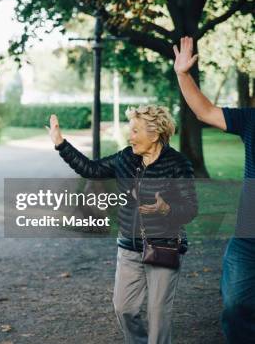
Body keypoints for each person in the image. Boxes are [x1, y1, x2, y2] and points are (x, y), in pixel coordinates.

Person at [48, 104, 197, 344]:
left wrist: (166, 209)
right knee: (124, 308)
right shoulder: (126, 157)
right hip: (129, 246)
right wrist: (60, 143)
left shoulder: (178, 164)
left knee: (158, 315)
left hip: (164, 247)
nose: (131, 136)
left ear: (155, 134)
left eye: (136, 131)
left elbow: (190, 209)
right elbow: (91, 169)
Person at [173, 36, 255, 343]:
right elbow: (205, 111)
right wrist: (183, 74)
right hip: (249, 240)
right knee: (236, 306)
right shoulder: (251, 120)